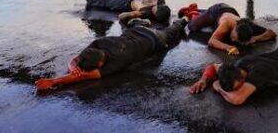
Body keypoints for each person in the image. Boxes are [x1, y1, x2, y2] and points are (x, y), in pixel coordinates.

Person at [35, 17, 189, 91]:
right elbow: (77, 59)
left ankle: (183, 20)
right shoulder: (98, 44)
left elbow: (85, 76)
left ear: (102, 63)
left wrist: (54, 81)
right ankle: (140, 22)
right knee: (130, 25)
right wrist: (72, 65)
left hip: (154, 39)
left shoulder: (119, 61)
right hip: (134, 31)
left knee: (172, 31)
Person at [179, 2, 276, 54]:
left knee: (213, 28)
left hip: (229, 11)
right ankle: (193, 12)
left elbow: (271, 33)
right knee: (192, 27)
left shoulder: (249, 26)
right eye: (234, 37)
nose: (233, 39)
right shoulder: (226, 24)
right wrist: (228, 47)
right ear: (235, 28)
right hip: (216, 11)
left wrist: (255, 38)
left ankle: (200, 13)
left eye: (237, 41)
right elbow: (212, 41)